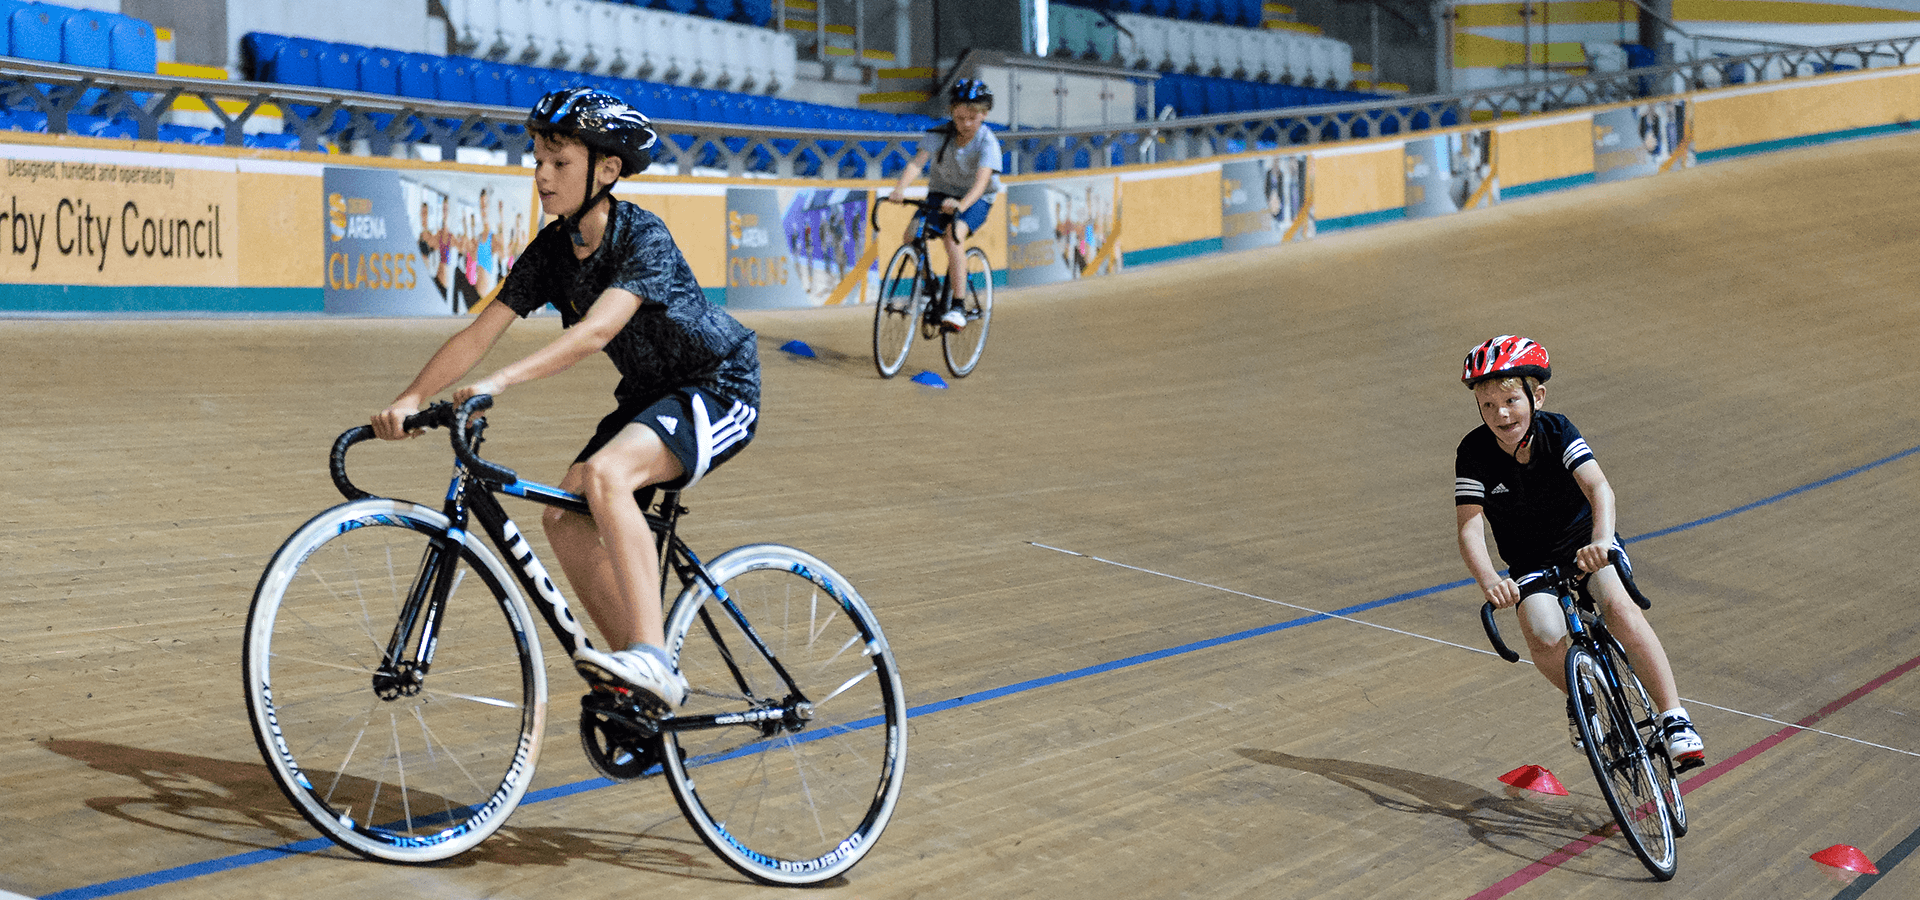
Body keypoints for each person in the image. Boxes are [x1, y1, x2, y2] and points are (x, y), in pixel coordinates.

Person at [370, 87, 761, 710]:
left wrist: (502, 382)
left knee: (605, 476)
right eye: (537, 158)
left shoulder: (643, 237)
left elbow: (596, 331)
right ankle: (637, 677)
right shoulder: (552, 250)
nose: (541, 174)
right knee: (563, 515)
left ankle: (654, 658)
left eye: (559, 162)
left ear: (606, 170)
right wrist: (412, 398)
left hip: (718, 385)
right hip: (647, 396)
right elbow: (480, 330)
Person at [1452, 335, 1705, 769]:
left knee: (1617, 607)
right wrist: (1490, 579)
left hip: (1584, 543)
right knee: (1543, 632)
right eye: (1488, 406)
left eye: (1511, 400)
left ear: (1538, 395)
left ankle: (1673, 717)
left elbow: (1597, 487)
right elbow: (1470, 527)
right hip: (1530, 561)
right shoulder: (1473, 452)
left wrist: (1603, 540)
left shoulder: (1558, 430)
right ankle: (1583, 692)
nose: (1501, 414)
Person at [885, 78, 1002, 331]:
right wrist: (899, 189)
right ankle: (931, 286)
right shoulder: (939, 134)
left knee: (953, 236)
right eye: (960, 118)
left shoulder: (988, 142)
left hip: (976, 198)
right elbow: (917, 163)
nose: (966, 124)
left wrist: (961, 204)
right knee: (910, 236)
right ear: (952, 113)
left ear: (985, 115)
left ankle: (958, 306)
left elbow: (981, 184)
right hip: (941, 194)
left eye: (972, 118)